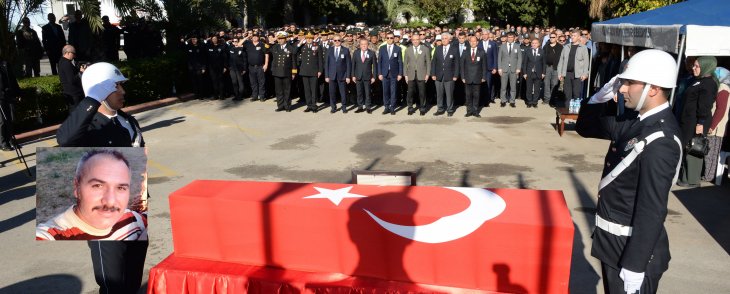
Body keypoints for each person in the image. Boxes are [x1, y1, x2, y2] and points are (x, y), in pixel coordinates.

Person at [576, 49, 682, 294]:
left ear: (653, 88)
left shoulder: (661, 138)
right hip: (611, 243)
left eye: (630, 83)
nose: (622, 89)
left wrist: (635, 265)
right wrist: (597, 100)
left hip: (632, 250)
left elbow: (652, 208)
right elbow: (587, 127)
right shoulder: (638, 121)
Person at [56, 62, 147, 294]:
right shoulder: (89, 127)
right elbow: (64, 139)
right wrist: (91, 101)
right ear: (100, 90)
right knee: (112, 283)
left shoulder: (126, 120)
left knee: (133, 278)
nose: (123, 91)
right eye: (116, 86)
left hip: (135, 210)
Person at [36, 150, 147, 241]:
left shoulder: (132, 219)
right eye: (98, 186)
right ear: (77, 187)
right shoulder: (53, 236)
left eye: (121, 188)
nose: (110, 201)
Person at [677, 56, 718, 187]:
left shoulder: (709, 83)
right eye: (694, 65)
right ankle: (684, 176)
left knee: (694, 148)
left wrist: (701, 123)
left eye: (697, 66)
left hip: (696, 123)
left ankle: (692, 180)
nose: (693, 68)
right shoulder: (699, 81)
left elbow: (705, 105)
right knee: (686, 147)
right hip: (688, 121)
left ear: (706, 67)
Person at [703, 67, 730, 182]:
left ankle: (709, 176)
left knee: (711, 153)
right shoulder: (722, 88)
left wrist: (712, 126)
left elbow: (721, 110)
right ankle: (709, 175)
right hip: (715, 126)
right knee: (710, 152)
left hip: (716, 128)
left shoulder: (723, 89)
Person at [557, 29, 590, 105]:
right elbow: (561, 61)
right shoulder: (566, 47)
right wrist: (560, 73)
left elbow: (586, 62)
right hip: (567, 73)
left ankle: (576, 111)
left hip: (578, 74)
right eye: (572, 35)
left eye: (574, 36)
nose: (572, 37)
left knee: (576, 94)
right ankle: (567, 110)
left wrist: (585, 74)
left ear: (579, 37)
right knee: (567, 94)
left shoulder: (583, 48)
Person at [431, 32, 459, 116]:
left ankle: (449, 110)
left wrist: (455, 75)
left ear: (449, 39)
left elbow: (457, 63)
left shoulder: (454, 49)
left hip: (450, 76)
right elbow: (434, 62)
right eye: (442, 39)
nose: (443, 40)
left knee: (449, 94)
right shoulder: (438, 48)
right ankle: (440, 109)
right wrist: (433, 74)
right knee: (439, 94)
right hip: (438, 75)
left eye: (445, 38)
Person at [403, 33, 431, 116]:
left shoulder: (425, 49)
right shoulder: (408, 49)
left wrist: (427, 74)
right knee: (410, 92)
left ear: (420, 40)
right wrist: (405, 75)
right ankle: (410, 108)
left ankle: (422, 108)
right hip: (411, 74)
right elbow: (405, 63)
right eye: (414, 40)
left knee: (422, 92)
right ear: (411, 40)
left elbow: (428, 63)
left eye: (417, 39)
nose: (415, 41)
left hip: (422, 74)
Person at [270, 31, 298, 112]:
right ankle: (280, 106)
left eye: (282, 39)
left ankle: (287, 106)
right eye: (279, 39)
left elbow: (293, 61)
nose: (281, 40)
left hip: (287, 72)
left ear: (286, 39)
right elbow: (266, 49)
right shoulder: (275, 47)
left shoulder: (290, 47)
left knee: (287, 90)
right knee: (278, 90)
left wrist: (293, 72)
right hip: (277, 71)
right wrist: (272, 40)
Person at [324, 35, 352, 113]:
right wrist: (326, 75)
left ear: (341, 41)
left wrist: (348, 76)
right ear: (333, 41)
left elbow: (348, 64)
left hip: (342, 75)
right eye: (335, 40)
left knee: (343, 93)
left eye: (338, 40)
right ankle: (333, 107)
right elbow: (326, 63)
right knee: (332, 92)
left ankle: (344, 107)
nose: (337, 42)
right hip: (331, 75)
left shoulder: (346, 50)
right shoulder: (329, 50)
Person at [460, 36, 486, 117]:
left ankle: (475, 111)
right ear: (469, 42)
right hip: (467, 77)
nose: (473, 43)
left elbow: (484, 66)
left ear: (477, 42)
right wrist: (463, 77)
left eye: (474, 41)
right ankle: (469, 111)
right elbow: (462, 65)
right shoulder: (465, 51)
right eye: (471, 41)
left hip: (477, 77)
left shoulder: (482, 52)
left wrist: (484, 77)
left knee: (476, 95)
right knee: (468, 95)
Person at [378, 32, 403, 115]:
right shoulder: (382, 48)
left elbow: (400, 62)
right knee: (385, 91)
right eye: (388, 38)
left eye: (391, 38)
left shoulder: (398, 49)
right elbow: (379, 62)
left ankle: (392, 107)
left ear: (394, 38)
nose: (389, 39)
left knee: (393, 91)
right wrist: (380, 73)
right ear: (385, 39)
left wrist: (400, 74)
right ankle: (386, 107)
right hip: (384, 73)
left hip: (394, 73)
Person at [297, 32, 323, 112]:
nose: (309, 39)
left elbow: (320, 59)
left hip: (314, 71)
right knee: (307, 89)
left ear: (312, 38)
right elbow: (294, 51)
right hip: (304, 71)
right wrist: (300, 42)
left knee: (313, 89)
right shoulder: (302, 46)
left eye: (310, 38)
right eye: (307, 38)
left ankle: (314, 106)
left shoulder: (317, 46)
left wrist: (320, 70)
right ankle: (309, 105)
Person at [352, 38, 378, 113]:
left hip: (368, 76)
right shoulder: (356, 53)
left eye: (365, 44)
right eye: (362, 44)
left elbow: (375, 66)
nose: (364, 46)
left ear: (368, 45)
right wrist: (353, 75)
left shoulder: (372, 53)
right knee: (359, 92)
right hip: (358, 76)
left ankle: (368, 107)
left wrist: (374, 76)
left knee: (367, 93)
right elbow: (353, 65)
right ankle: (360, 107)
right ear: (359, 45)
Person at [0, 53, 20, 151]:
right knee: (2, 121)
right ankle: (3, 142)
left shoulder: (5, 64)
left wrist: (18, 93)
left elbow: (12, 79)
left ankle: (11, 139)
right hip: (0, 97)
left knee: (11, 118)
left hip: (8, 95)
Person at [498, 32, 522, 108]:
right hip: (504, 69)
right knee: (503, 86)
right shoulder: (502, 46)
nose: (510, 39)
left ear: (514, 38)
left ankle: (512, 101)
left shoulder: (517, 46)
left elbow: (520, 58)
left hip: (514, 69)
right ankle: (503, 100)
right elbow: (499, 58)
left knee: (513, 86)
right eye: (509, 37)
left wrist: (518, 68)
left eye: (512, 37)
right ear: (506, 38)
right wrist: (499, 68)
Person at [58, 45, 86, 112]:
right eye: (73, 53)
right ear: (67, 53)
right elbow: (72, 80)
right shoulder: (66, 63)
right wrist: (81, 72)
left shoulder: (62, 61)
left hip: (70, 93)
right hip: (74, 94)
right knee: (76, 115)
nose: (74, 56)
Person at [244, 32, 269, 102]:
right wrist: (247, 37)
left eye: (256, 36)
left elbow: (266, 54)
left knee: (261, 82)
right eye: (253, 36)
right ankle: (254, 96)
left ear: (258, 37)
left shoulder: (262, 44)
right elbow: (239, 44)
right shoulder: (248, 44)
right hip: (251, 67)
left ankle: (262, 96)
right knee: (253, 82)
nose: (254, 37)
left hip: (260, 66)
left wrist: (266, 64)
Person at [522, 38, 545, 108]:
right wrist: (524, 73)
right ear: (531, 44)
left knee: (537, 89)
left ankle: (535, 102)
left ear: (538, 44)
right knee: (529, 88)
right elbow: (525, 63)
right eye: (533, 43)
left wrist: (543, 73)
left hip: (538, 73)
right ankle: (529, 102)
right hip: (529, 73)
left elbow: (544, 63)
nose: (534, 44)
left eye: (536, 43)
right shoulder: (528, 51)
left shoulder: (542, 51)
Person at [542, 32, 563, 105]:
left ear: (557, 38)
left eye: (553, 37)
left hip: (556, 68)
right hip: (547, 67)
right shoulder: (546, 46)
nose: (551, 38)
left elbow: (562, 59)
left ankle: (552, 100)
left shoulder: (560, 47)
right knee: (546, 83)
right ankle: (546, 99)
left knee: (554, 84)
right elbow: (543, 57)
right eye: (550, 37)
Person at [206, 35, 228, 100]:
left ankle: (221, 95)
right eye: (213, 39)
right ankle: (215, 96)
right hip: (212, 68)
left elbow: (225, 57)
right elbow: (206, 57)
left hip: (220, 67)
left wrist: (225, 67)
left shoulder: (221, 46)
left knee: (221, 81)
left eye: (215, 39)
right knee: (214, 81)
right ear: (211, 40)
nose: (214, 40)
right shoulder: (208, 46)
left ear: (217, 39)